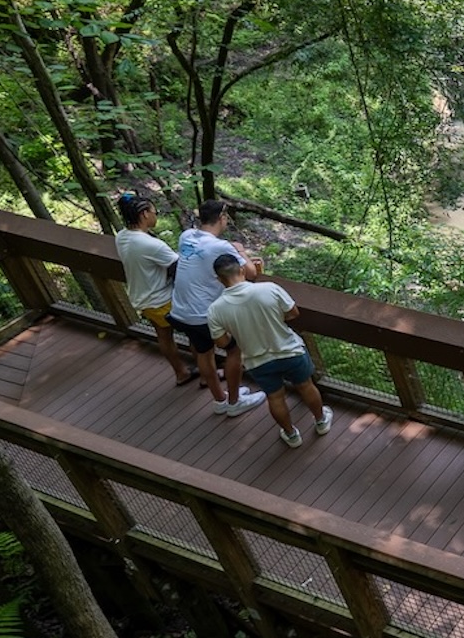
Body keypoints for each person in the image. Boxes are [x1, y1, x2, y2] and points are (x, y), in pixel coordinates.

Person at [207, 253, 332, 448]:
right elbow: (293, 312)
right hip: (289, 350)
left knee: (275, 397)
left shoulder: (216, 310)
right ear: (241, 270)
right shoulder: (269, 289)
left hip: (257, 361)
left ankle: (291, 435)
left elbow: (222, 342)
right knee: (306, 386)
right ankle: (321, 421)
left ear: (219, 279)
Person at [171, 199, 265, 417]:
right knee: (234, 350)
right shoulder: (220, 247)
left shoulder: (186, 236)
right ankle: (234, 403)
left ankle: (220, 400)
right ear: (222, 218)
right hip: (204, 314)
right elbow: (250, 273)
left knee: (204, 353)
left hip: (181, 310)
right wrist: (240, 251)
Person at [112, 192, 195, 386]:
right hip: (163, 300)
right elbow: (180, 268)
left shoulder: (122, 236)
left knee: (164, 337)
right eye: (153, 212)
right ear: (144, 215)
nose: (156, 215)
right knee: (196, 333)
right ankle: (208, 374)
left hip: (143, 298)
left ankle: (181, 372)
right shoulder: (151, 245)